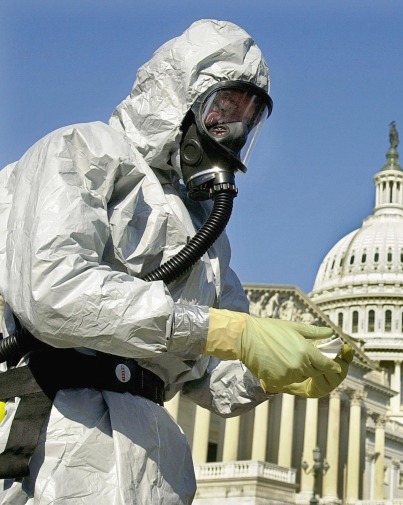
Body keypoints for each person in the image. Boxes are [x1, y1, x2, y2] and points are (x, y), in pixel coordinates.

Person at [0, 19, 352, 504]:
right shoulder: (81, 150)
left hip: (156, 461)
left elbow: (213, 381)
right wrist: (225, 332)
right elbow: (53, 291)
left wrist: (278, 367)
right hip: (53, 439)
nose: (233, 130)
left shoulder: (204, 225)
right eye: (223, 109)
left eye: (247, 119)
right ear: (179, 95)